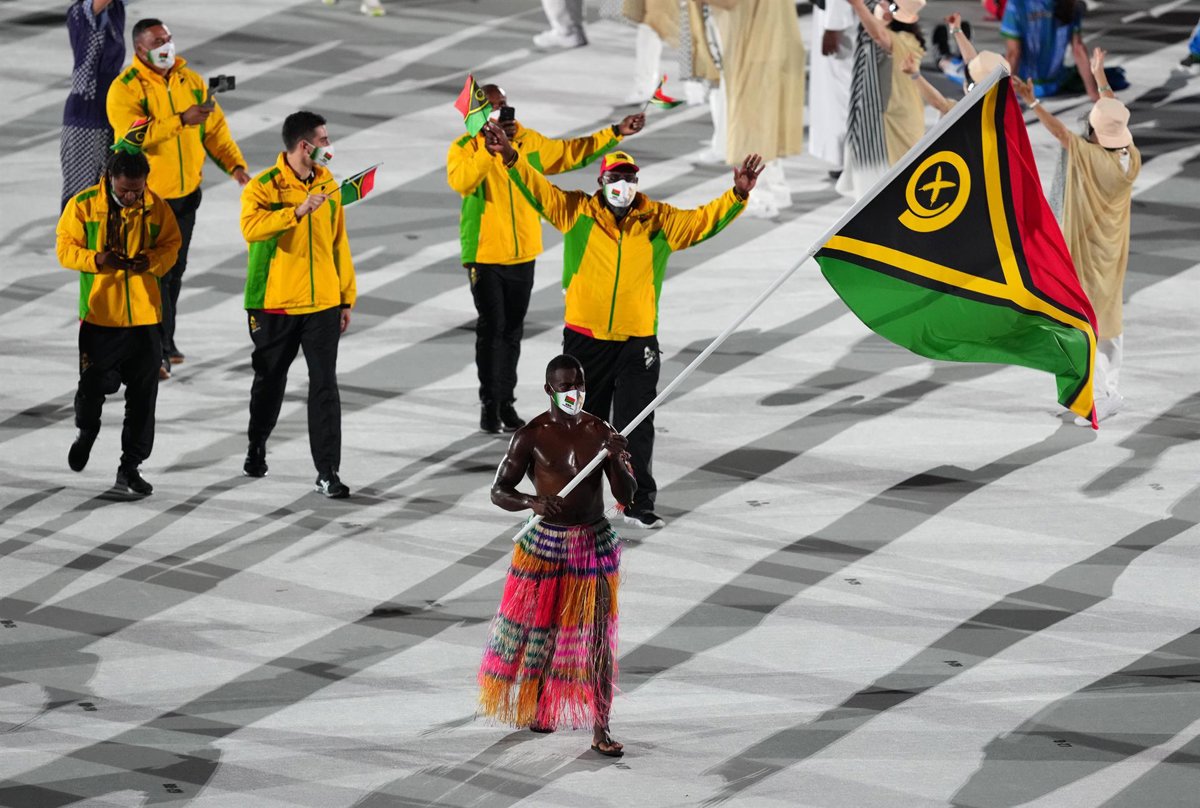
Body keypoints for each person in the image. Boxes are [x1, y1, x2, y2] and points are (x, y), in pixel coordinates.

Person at [483, 120, 762, 529]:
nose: (623, 185)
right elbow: (537, 189)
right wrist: (510, 156)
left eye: (630, 178)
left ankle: (638, 502)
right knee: (582, 426)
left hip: (637, 341)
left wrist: (737, 194)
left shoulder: (658, 220)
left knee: (636, 423)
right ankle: (581, 500)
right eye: (615, 178)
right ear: (601, 181)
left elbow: (702, 222)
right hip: (586, 338)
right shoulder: (576, 210)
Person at [447, 84, 645, 434]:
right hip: (484, 254)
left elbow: (570, 153)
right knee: (492, 330)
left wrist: (615, 132)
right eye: (493, 107)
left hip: (524, 252)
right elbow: (461, 182)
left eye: (504, 105)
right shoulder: (465, 147)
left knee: (512, 332)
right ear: (479, 113)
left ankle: (506, 403)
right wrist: (490, 151)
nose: (501, 112)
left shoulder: (530, 142)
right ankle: (489, 403)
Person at [479, 354, 636, 757]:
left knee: (598, 637)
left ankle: (601, 726)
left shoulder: (601, 431)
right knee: (540, 632)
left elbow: (626, 495)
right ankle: (541, 705)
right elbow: (499, 491)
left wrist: (617, 459)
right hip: (545, 546)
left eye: (579, 385)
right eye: (566, 387)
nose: (574, 393)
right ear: (549, 390)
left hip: (593, 543)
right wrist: (531, 502)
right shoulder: (530, 436)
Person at [107, 18, 251, 380]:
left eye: (169, 38)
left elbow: (214, 130)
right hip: (149, 200)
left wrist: (235, 166)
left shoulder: (191, 80)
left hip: (186, 197)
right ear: (140, 49)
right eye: (159, 41)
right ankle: (153, 351)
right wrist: (180, 119)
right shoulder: (125, 88)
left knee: (174, 273)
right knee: (153, 274)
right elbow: (131, 138)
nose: (167, 45)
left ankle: (164, 342)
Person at [1015, 49, 1139, 423]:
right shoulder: (1130, 156)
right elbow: (1112, 110)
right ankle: (1101, 389)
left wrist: (1032, 102)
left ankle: (1105, 392)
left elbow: (1059, 133)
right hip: (1111, 250)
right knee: (1104, 320)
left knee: (1090, 322)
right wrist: (1099, 76)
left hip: (1086, 249)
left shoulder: (1092, 157)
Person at [239, 111, 357, 497]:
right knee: (270, 382)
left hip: (322, 302)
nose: (329, 146)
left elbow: (339, 242)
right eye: (324, 140)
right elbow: (250, 229)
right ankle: (257, 443)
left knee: (325, 386)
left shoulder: (328, 185)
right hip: (275, 304)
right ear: (304, 146)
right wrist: (295, 212)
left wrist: (345, 297)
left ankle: (328, 472)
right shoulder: (263, 187)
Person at [56, 149, 182, 496]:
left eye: (136, 190)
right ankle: (87, 430)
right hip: (100, 318)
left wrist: (152, 261)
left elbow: (172, 245)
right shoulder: (84, 205)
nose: (131, 197)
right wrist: (97, 259)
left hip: (144, 319)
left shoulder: (156, 207)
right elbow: (65, 249)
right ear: (111, 179)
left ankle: (130, 467)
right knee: (94, 386)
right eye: (125, 190)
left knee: (143, 397)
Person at [709, 0, 806, 217]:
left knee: (751, 123)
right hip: (767, 41)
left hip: (752, 46)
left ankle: (763, 198)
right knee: (765, 121)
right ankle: (778, 191)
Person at [61, 0, 126, 210]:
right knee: (81, 196)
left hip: (111, 111)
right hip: (85, 116)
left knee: (110, 193)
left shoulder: (116, 10)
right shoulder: (79, 12)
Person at [848, 0, 928, 166]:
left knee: (893, 171)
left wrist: (858, 6)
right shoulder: (884, 33)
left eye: (889, 3)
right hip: (883, 115)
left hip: (895, 119)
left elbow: (879, 36)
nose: (881, 3)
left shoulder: (906, 41)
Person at [1001, 0, 1098, 100]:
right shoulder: (1072, 5)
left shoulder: (1016, 4)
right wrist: (1093, 92)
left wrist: (1004, 98)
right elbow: (1078, 49)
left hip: (1024, 86)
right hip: (1054, 84)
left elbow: (1014, 53)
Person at [807, 0, 857, 180]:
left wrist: (833, 26)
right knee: (839, 90)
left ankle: (850, 160)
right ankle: (847, 159)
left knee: (841, 91)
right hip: (842, 17)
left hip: (842, 22)